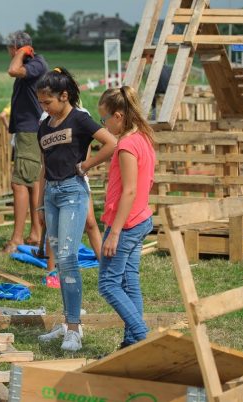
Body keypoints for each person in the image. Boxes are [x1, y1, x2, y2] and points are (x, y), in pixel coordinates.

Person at [35, 67, 117, 352]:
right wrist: (40, 204)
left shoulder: (79, 119)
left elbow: (111, 143)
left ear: (64, 96)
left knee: (69, 258)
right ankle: (70, 321)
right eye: (41, 103)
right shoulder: (44, 126)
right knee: (59, 260)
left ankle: (73, 329)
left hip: (72, 192)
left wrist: (86, 166)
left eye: (48, 102)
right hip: (52, 195)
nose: (44, 107)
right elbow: (45, 166)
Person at [97, 86, 156, 349]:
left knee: (108, 284)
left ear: (118, 116)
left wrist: (116, 232)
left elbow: (129, 190)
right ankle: (132, 343)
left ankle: (142, 336)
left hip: (127, 224)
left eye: (104, 119)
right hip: (140, 219)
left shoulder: (127, 145)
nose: (104, 125)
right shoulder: (142, 137)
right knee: (128, 279)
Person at [2, 31, 48, 254]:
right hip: (27, 131)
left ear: (17, 48)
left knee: (20, 183)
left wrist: (20, 53)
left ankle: (17, 239)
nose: (9, 54)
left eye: (10, 49)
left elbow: (12, 70)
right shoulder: (34, 64)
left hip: (30, 131)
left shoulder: (36, 63)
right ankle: (36, 233)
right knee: (32, 183)